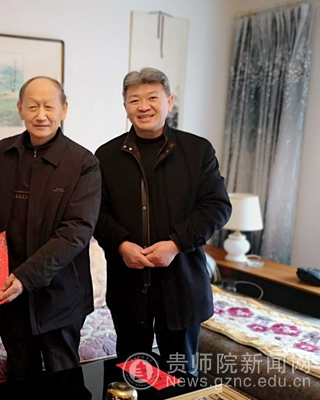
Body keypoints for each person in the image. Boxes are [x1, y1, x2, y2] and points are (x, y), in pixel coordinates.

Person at [94, 68, 231, 375]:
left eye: (152, 98)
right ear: (125, 106)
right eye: (134, 100)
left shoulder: (197, 151)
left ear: (169, 102)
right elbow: (96, 213)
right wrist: (122, 244)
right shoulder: (106, 156)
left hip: (182, 285)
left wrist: (175, 244)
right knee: (132, 376)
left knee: (180, 378)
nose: (143, 106)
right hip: (129, 287)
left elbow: (217, 207)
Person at [0, 76, 101, 380]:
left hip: (61, 295)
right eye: (33, 107)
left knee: (64, 381)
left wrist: (26, 277)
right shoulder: (1, 153)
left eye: (49, 106)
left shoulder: (83, 162)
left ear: (64, 110)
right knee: (20, 376)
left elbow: (77, 231)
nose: (41, 115)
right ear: (20, 109)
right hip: (9, 290)